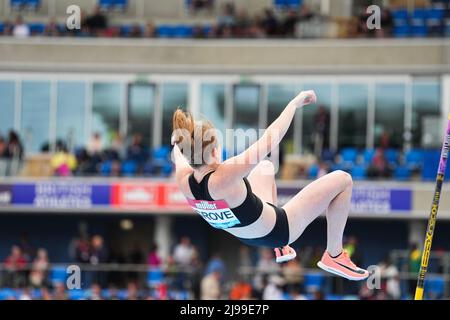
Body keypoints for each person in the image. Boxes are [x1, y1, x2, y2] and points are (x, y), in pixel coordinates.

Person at [172, 90, 369, 281]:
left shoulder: (184, 181)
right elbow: (269, 140)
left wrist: (178, 141)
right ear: (215, 150)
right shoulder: (223, 176)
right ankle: (334, 255)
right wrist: (293, 104)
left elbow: (178, 153)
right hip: (282, 229)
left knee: (265, 166)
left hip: (247, 235)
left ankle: (281, 248)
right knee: (343, 179)